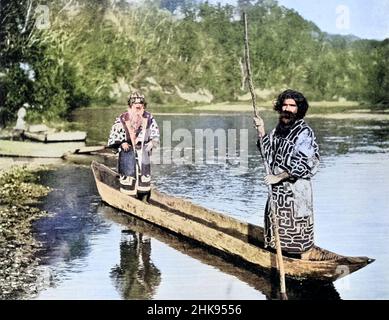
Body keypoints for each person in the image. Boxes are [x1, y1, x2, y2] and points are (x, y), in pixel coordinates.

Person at [253, 89, 320, 255]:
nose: (287, 109)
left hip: (295, 195)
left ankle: (298, 264)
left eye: (292, 106)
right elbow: (267, 155)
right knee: (276, 239)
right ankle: (276, 263)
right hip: (278, 196)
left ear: (299, 109)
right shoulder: (278, 130)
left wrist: (278, 177)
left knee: (297, 240)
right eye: (285, 105)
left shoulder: (304, 132)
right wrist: (262, 130)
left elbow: (306, 164)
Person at [108, 92, 159, 200]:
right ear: (130, 106)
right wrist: (122, 143)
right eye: (135, 105)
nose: (138, 108)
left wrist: (152, 142)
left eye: (140, 105)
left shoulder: (149, 118)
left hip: (143, 149)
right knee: (128, 173)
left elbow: (155, 133)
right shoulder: (122, 118)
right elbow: (115, 134)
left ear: (144, 106)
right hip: (127, 149)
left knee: (144, 175)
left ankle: (144, 198)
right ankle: (128, 197)